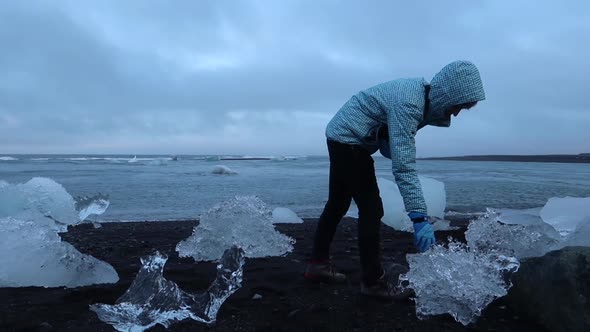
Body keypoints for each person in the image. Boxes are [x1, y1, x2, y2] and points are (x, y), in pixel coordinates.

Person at [304, 60, 486, 298]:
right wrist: (419, 217)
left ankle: (317, 265)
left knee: (337, 204)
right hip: (348, 140)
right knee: (371, 210)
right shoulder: (409, 103)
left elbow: (391, 138)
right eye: (457, 106)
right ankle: (372, 283)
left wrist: (390, 142)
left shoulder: (420, 99)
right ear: (447, 94)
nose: (456, 113)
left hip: (341, 134)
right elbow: (404, 168)